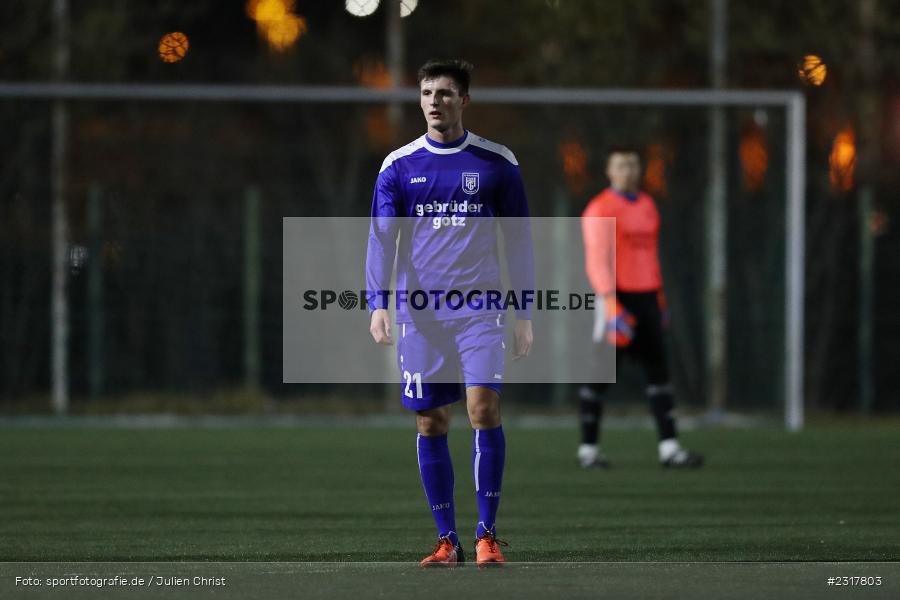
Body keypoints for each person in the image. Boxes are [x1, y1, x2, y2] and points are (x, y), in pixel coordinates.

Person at [366, 59, 534, 567]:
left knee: (483, 409)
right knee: (431, 422)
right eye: (426, 93)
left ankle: (487, 535)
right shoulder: (398, 165)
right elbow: (381, 239)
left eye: (444, 92)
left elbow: (519, 240)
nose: (434, 101)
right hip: (421, 314)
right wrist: (378, 303)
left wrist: (524, 311)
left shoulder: (496, 161)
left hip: (481, 309)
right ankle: (447, 540)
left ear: (464, 100)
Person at [578, 148, 703, 469]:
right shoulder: (600, 208)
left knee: (659, 374)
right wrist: (610, 303)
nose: (629, 171)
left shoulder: (647, 204)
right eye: (621, 165)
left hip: (647, 297)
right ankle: (588, 450)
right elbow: (596, 260)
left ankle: (669, 449)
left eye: (633, 164)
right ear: (609, 170)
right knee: (600, 376)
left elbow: (650, 255)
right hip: (616, 299)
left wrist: (659, 298)